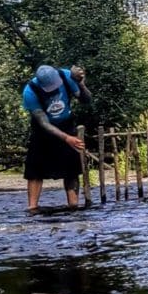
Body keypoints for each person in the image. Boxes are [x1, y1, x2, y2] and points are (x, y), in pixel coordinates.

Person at [22, 63, 91, 213]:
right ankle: (32, 208)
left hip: (66, 123)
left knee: (71, 168)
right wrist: (67, 138)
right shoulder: (30, 91)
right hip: (43, 131)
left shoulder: (67, 76)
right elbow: (43, 123)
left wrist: (80, 83)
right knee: (34, 169)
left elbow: (86, 100)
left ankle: (73, 205)